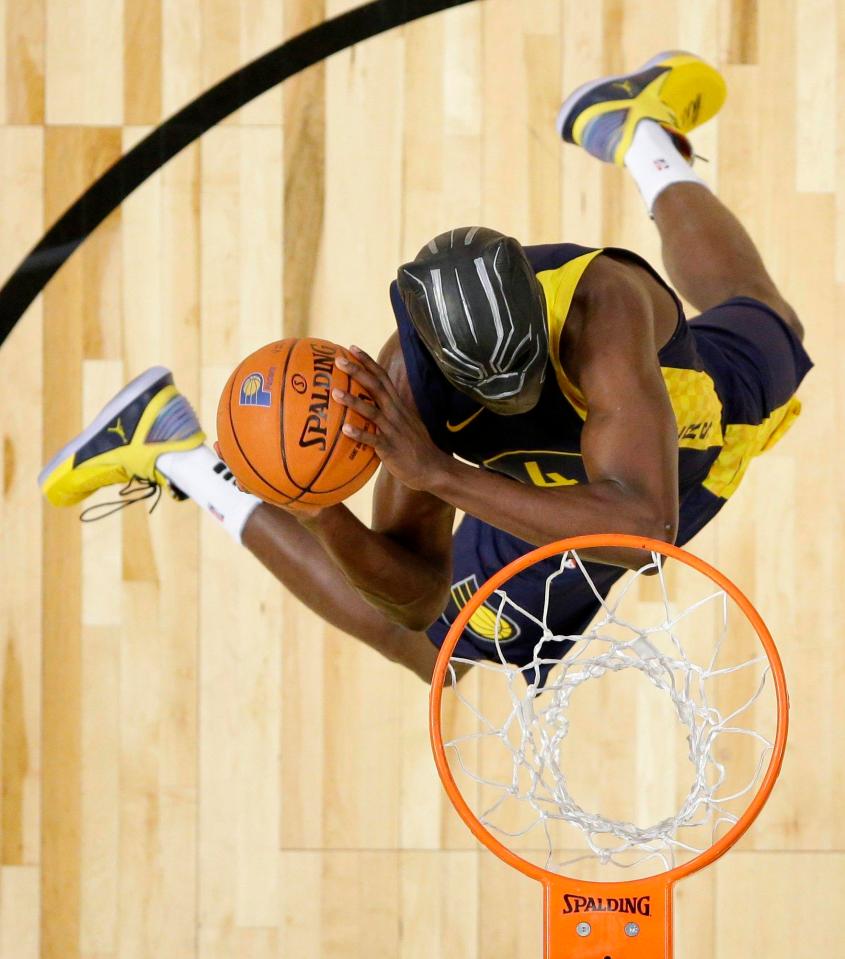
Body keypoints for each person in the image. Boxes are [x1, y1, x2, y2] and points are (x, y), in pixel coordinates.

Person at [40, 51, 811, 684]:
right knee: (431, 649)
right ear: (440, 359)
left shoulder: (603, 307)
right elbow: (410, 597)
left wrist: (441, 474)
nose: (515, 399)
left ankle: (638, 130)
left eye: (531, 377)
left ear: (539, 314)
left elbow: (645, 528)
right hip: (563, 501)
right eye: (491, 390)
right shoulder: (403, 386)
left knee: (766, 310)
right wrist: (315, 507)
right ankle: (180, 447)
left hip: (679, 436)